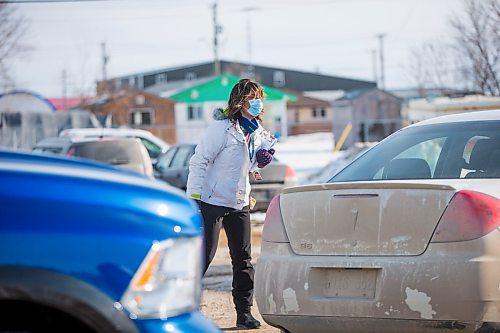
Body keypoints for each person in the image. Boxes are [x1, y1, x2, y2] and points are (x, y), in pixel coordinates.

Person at [187, 78, 276, 330]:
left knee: (243, 260)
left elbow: (250, 164)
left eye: (260, 98)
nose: (258, 103)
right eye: (253, 98)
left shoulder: (256, 130)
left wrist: (262, 159)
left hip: (239, 201)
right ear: (240, 102)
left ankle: (244, 313)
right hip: (211, 200)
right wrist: (194, 199)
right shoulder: (221, 128)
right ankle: (184, 308)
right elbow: (199, 161)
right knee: (204, 256)